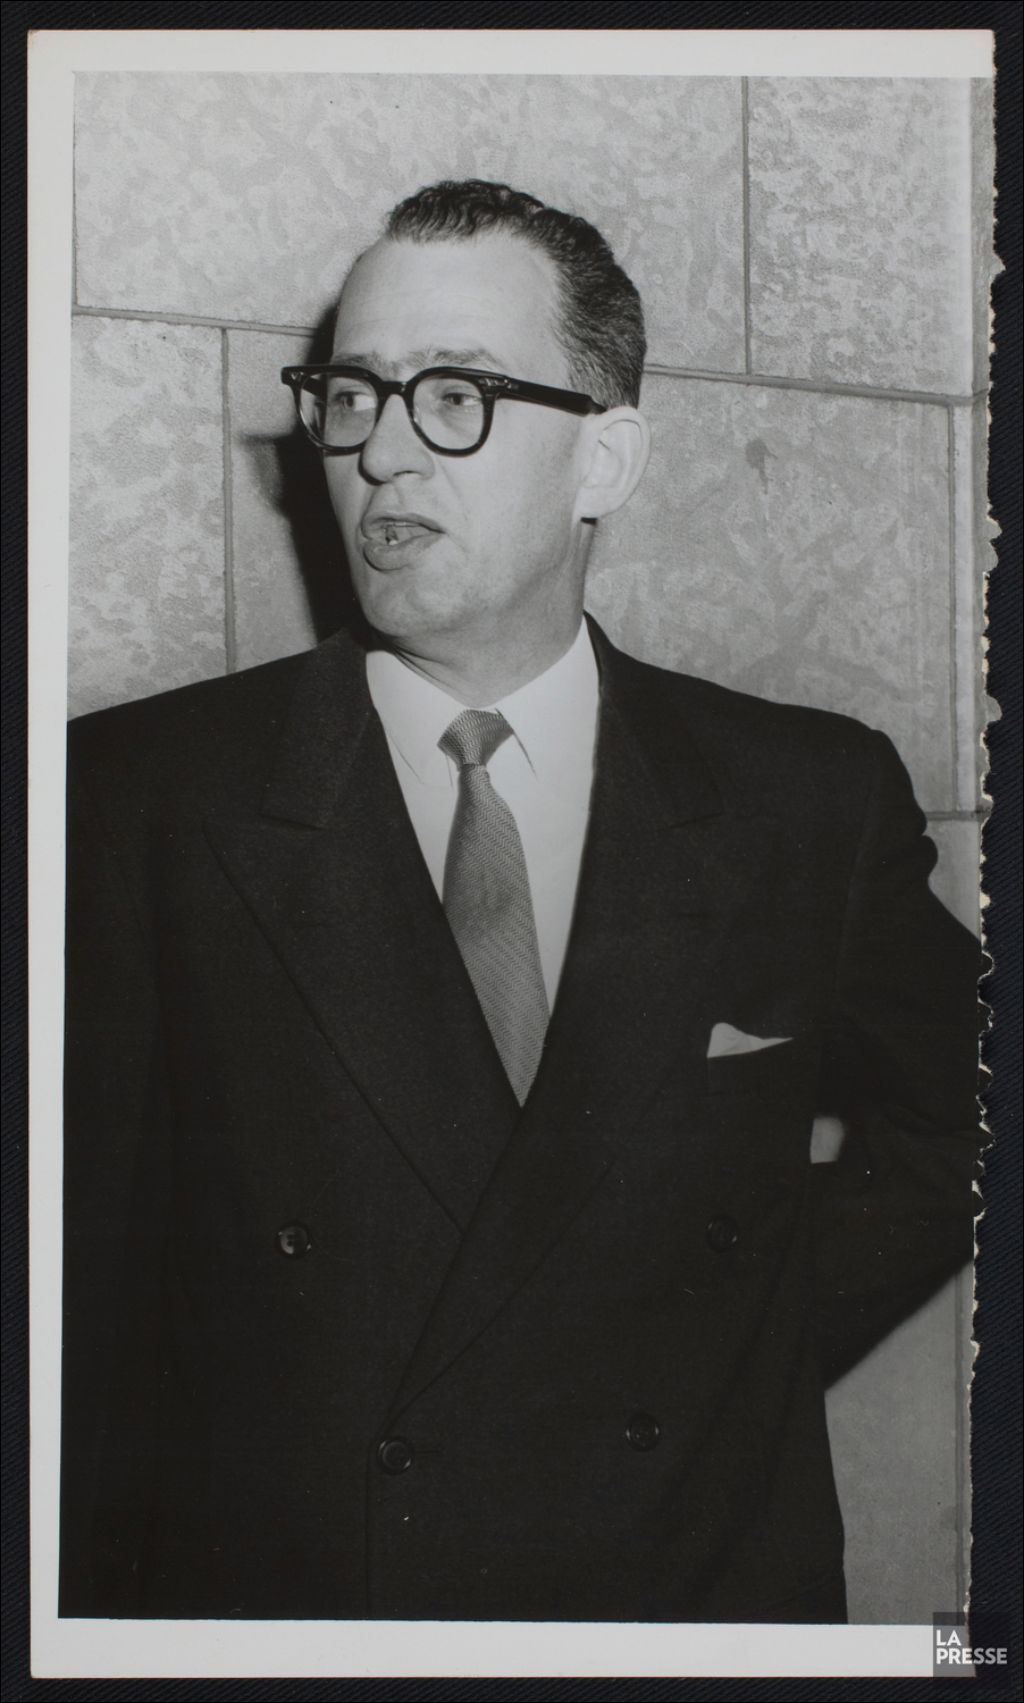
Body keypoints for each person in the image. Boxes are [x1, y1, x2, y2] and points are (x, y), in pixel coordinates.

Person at [60, 179, 981, 1624]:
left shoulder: (806, 799)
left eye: (456, 396)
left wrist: (731, 1332)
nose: (378, 453)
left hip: (687, 1604)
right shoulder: (134, 799)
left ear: (604, 458)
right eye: (351, 396)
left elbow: (974, 1106)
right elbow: (77, 1317)